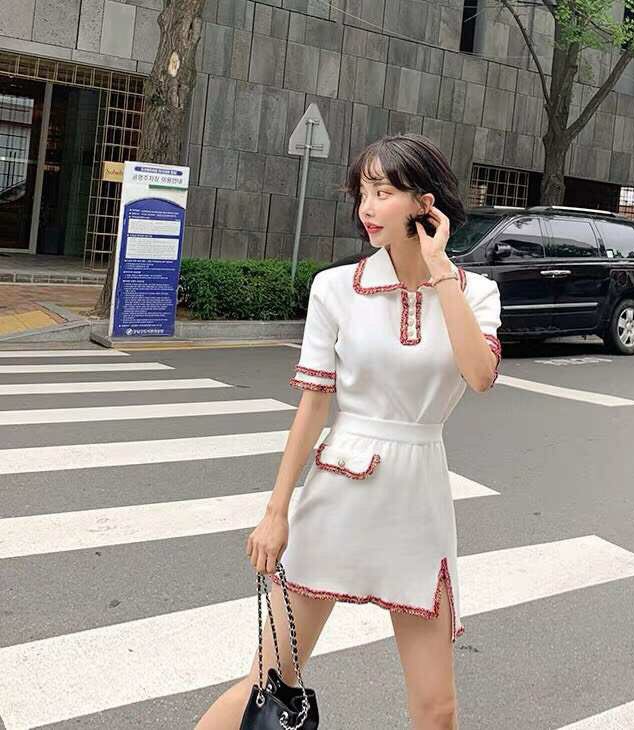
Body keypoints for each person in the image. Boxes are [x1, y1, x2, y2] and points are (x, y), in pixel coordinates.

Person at [195, 133, 502, 730]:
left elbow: (480, 375)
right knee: (270, 681)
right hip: (339, 487)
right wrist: (276, 511)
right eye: (363, 192)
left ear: (425, 203)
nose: (367, 207)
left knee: (438, 707)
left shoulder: (476, 293)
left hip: (419, 495)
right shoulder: (336, 288)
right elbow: (313, 405)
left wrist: (441, 271)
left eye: (383, 192)